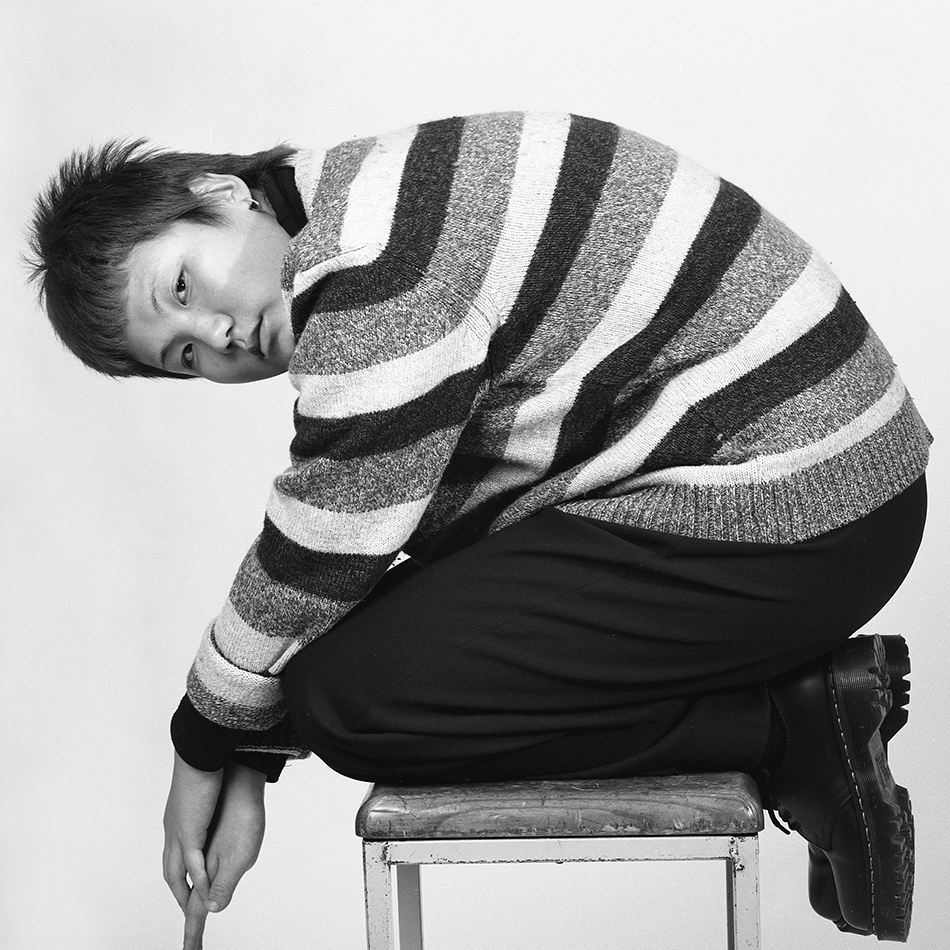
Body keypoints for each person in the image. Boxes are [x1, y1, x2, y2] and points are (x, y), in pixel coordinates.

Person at [28, 112, 930, 948]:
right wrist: (252, 749)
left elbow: (323, 545)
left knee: (356, 705)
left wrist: (200, 744)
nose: (219, 334)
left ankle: (793, 727)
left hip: (803, 506)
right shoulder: (359, 200)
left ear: (222, 194)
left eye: (183, 286)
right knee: (340, 675)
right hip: (798, 480)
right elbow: (352, 540)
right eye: (184, 354)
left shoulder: (375, 268)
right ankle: (797, 715)